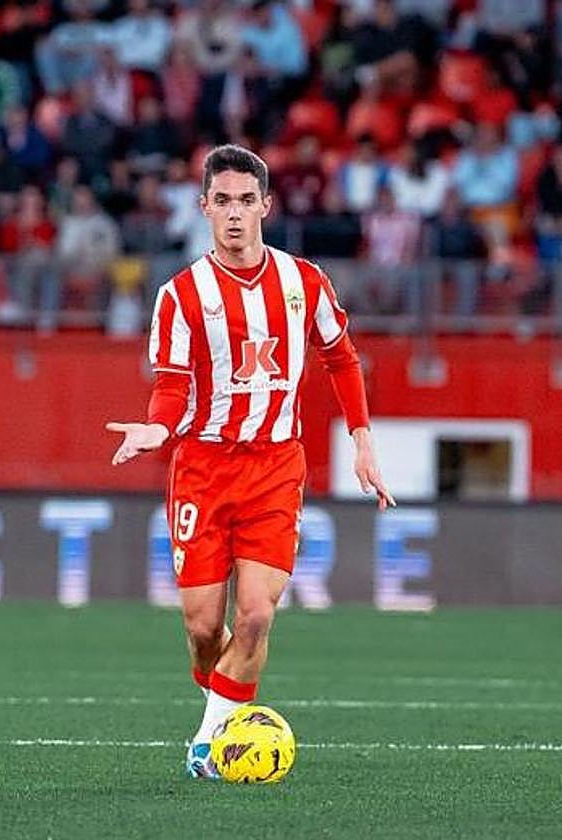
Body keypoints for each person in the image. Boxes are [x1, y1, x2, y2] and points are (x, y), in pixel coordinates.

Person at [106, 145, 394, 778]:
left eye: (245, 201)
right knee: (204, 629)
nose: (234, 215)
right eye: (222, 202)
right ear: (204, 208)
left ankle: (210, 744)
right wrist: (157, 427)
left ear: (266, 205)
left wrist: (363, 439)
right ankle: (223, 707)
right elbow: (172, 384)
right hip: (204, 469)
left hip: (274, 466)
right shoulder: (180, 295)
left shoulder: (304, 281)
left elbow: (341, 357)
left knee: (257, 615)